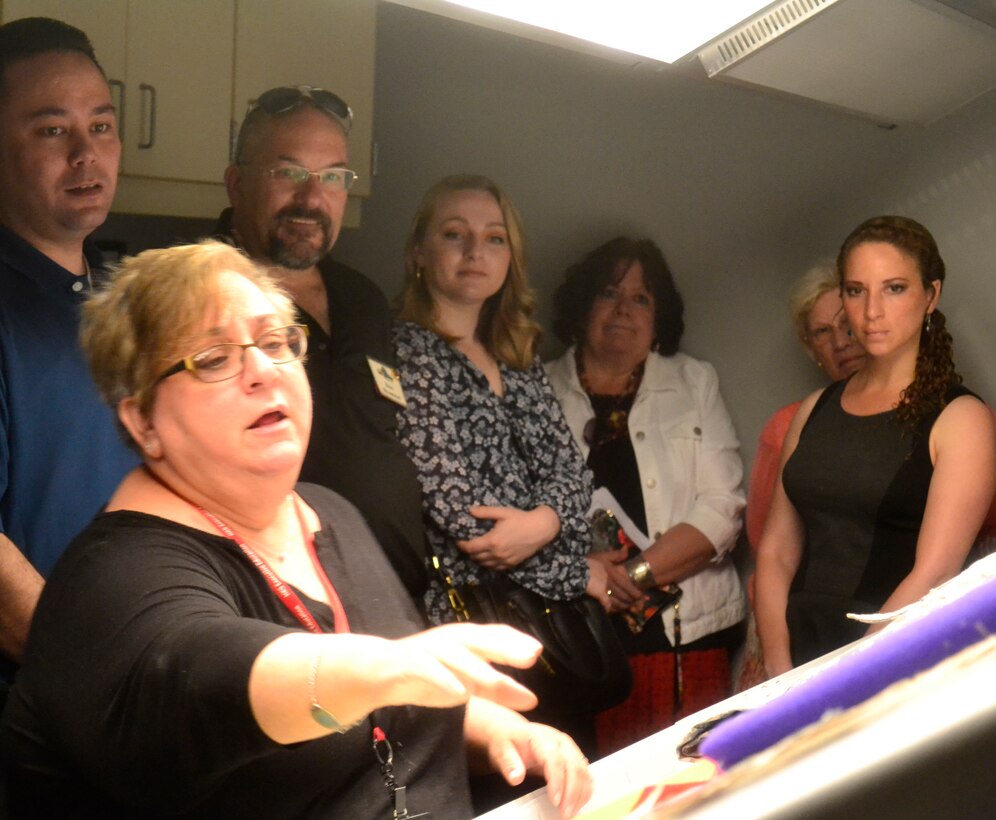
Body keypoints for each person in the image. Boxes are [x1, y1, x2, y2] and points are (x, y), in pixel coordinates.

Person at [0, 241, 592, 819]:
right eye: (213, 359)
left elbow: (393, 707)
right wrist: (387, 667)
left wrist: (499, 731)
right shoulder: (111, 580)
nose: (262, 369)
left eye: (277, 342)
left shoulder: (328, 512)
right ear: (142, 420)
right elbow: (213, 682)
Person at [392, 175, 611, 764]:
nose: (474, 253)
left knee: (576, 783)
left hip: (556, 637)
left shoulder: (517, 356)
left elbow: (573, 476)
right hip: (477, 632)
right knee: (509, 788)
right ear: (419, 251)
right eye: (455, 235)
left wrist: (541, 522)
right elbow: (466, 522)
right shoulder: (405, 354)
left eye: (493, 239)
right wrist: (575, 568)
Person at [755, 216, 996, 676]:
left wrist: (848, 674)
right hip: (797, 650)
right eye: (855, 290)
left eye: (893, 288)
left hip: (897, 654)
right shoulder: (814, 409)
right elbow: (775, 553)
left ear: (931, 296)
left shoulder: (961, 418)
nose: (871, 311)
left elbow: (934, 574)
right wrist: (778, 664)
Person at [217, 85, 430, 602]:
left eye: (333, 177)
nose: (312, 199)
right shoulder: (203, 299)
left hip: (396, 596)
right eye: (288, 173)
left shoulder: (362, 298)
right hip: (281, 608)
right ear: (237, 184)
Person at [546, 237, 746, 757]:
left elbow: (722, 507)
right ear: (582, 305)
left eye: (641, 299)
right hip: (582, 644)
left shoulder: (694, 381)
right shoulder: (535, 390)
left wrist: (632, 578)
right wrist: (585, 576)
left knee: (700, 793)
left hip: (690, 638)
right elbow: (523, 518)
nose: (623, 311)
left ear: (659, 316)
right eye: (609, 293)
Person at [0, 17, 137, 672]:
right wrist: (83, 675)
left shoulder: (125, 298)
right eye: (52, 130)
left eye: (101, 126)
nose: (86, 153)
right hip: (45, 696)